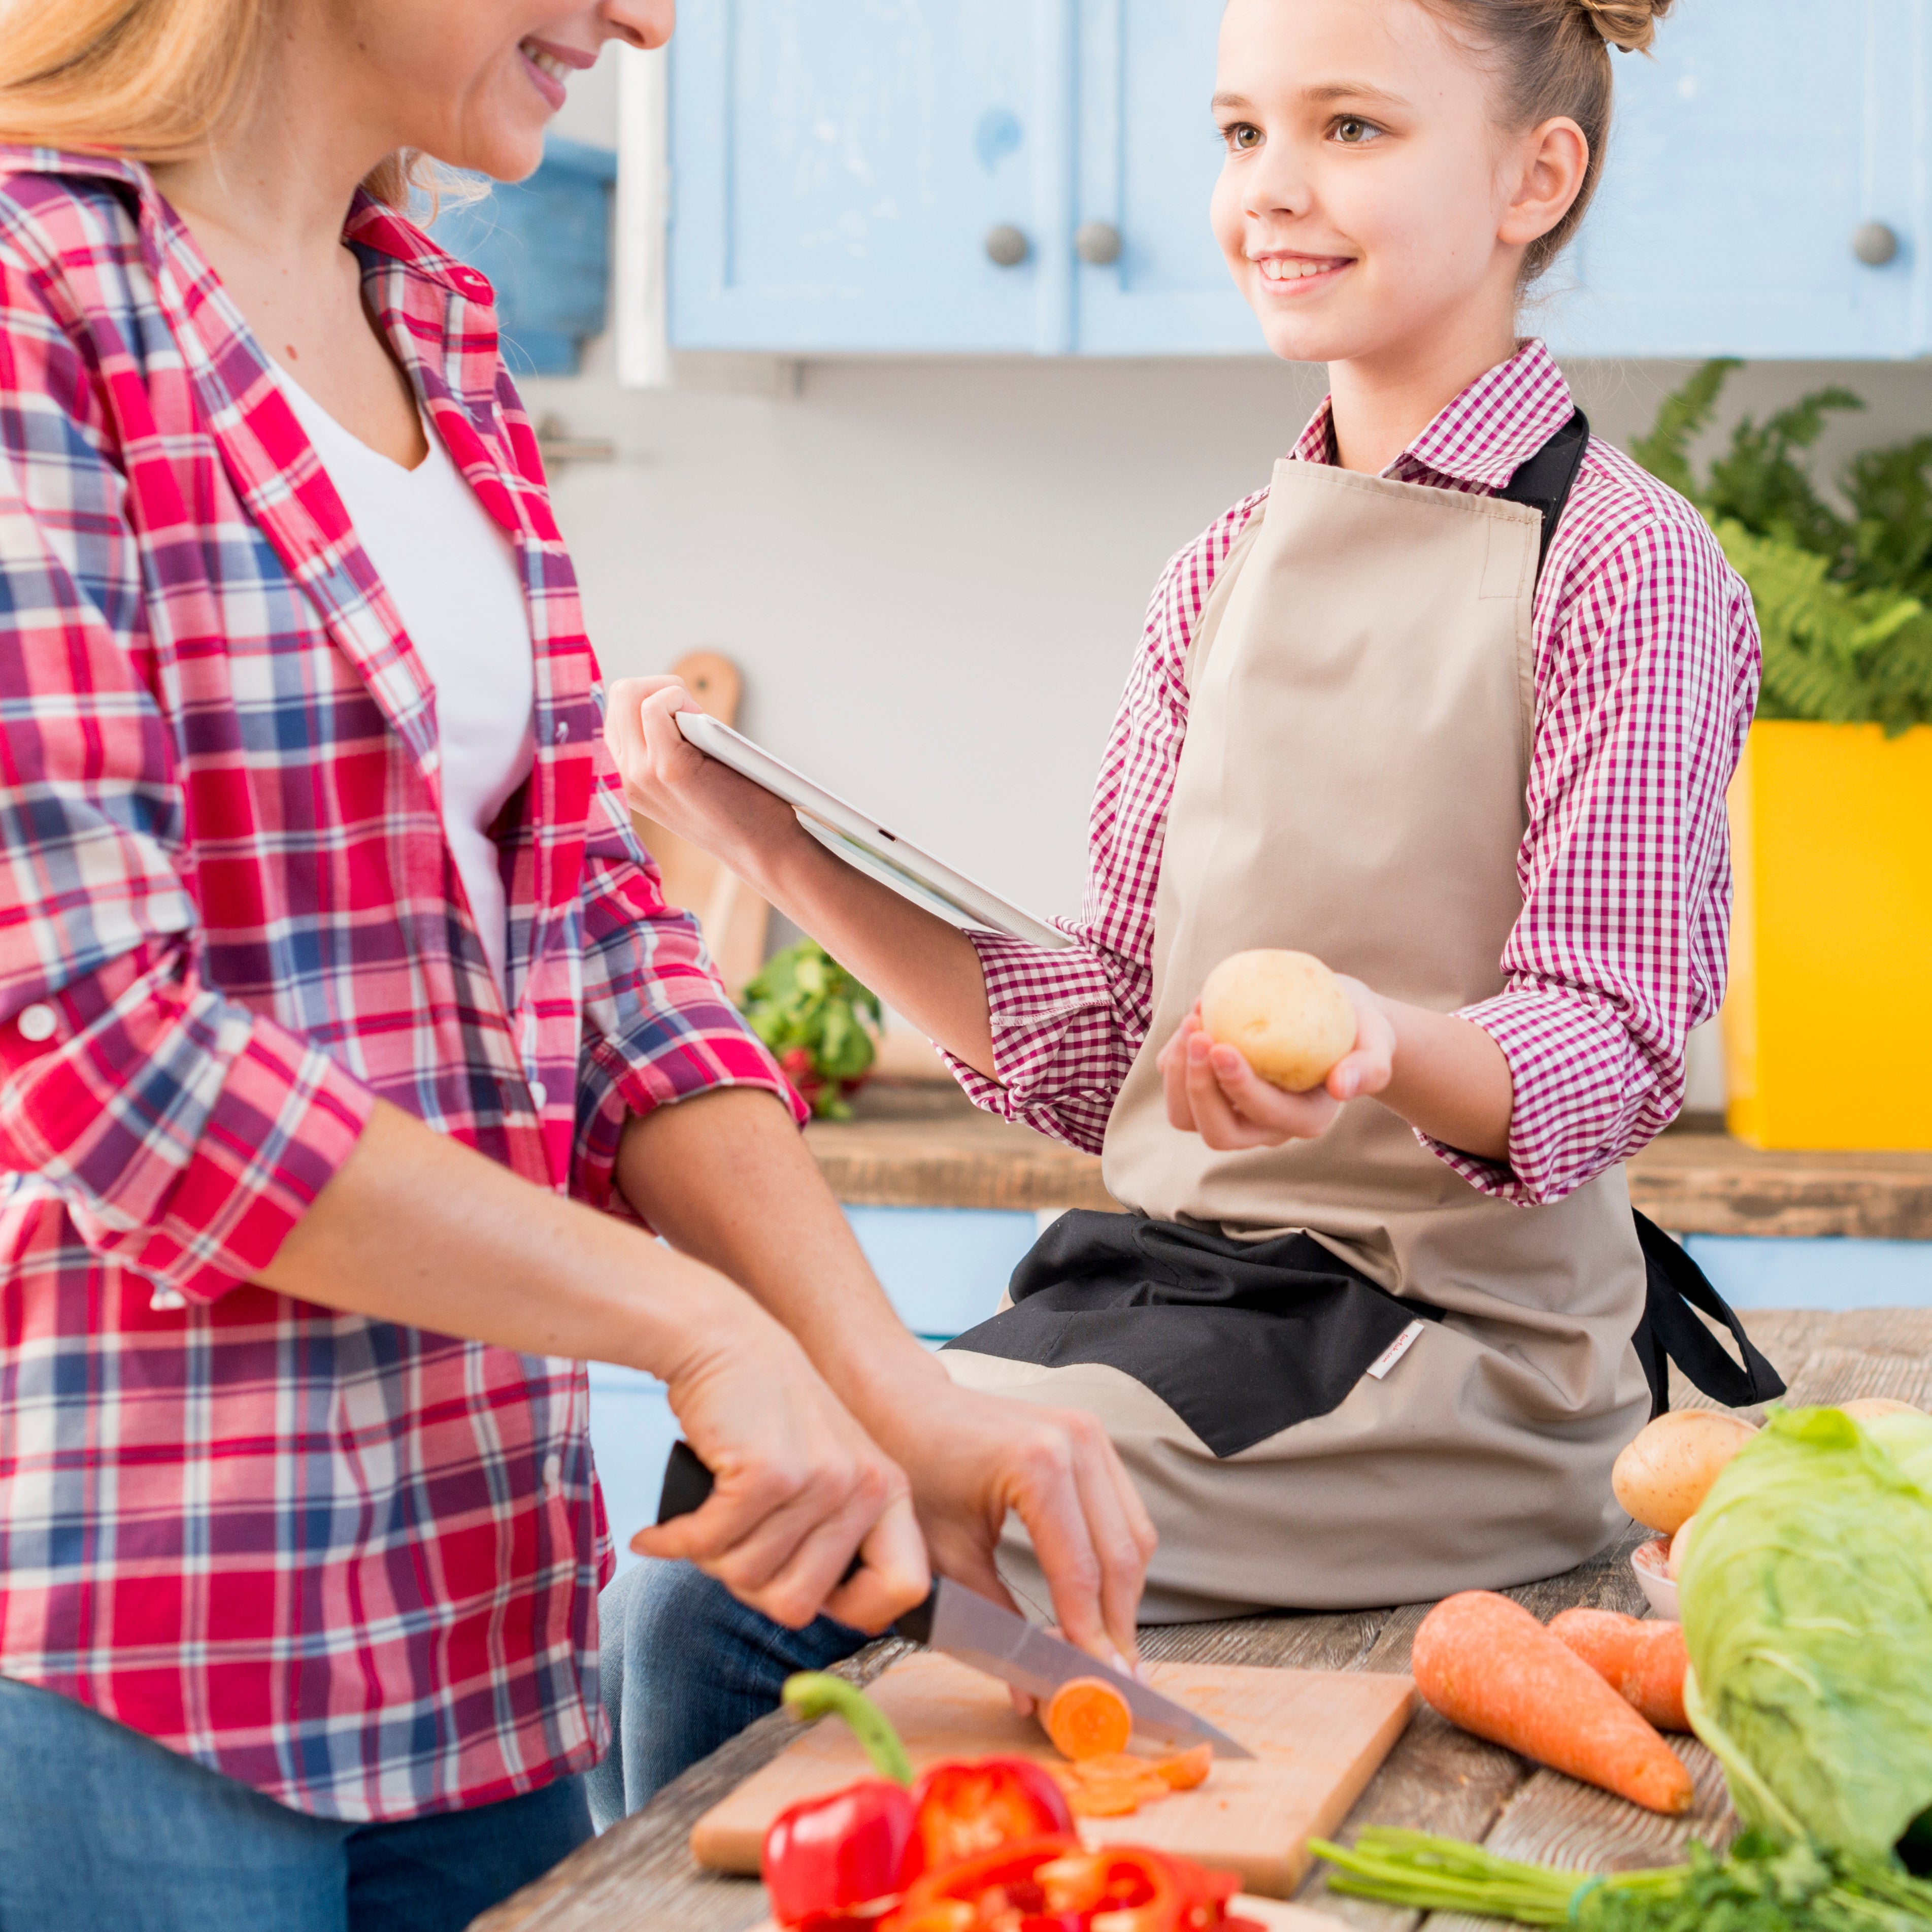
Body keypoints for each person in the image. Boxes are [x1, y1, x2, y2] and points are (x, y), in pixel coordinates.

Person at [0, 2, 1152, 1923]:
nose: (644, 17)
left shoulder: (433, 322)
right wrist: (700, 1331)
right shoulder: (38, 300)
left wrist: (883, 1383)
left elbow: (598, 944)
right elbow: (103, 1052)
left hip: (477, 1609)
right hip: (140, 1618)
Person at [604, 0, 1788, 1792]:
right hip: (1192, 1300)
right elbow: (1108, 1058)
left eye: (1351, 130)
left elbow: (1612, 1042)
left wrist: (1371, 1048)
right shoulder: (1218, 573)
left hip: (1459, 1354)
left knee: (751, 1577)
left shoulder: (1629, 565)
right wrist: (774, 848)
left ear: (1539, 177)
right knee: (757, 1484)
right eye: (1242, 134)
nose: (1273, 192)